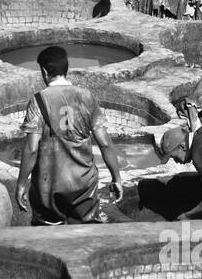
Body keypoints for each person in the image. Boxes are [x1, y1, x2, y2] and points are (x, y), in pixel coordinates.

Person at [15, 46, 125, 225]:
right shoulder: (87, 97)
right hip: (83, 185)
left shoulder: (38, 100)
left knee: (48, 237)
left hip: (48, 187)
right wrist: (116, 178)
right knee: (84, 235)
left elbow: (32, 148)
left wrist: (21, 184)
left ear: (44, 71)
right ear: (66, 69)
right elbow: (105, 144)